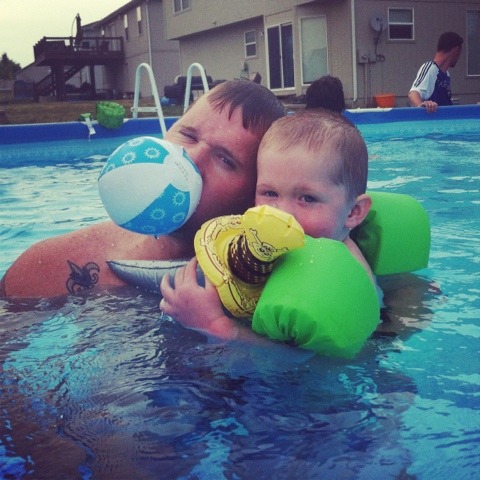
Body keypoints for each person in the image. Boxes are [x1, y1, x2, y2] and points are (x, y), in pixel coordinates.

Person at [0, 80, 286, 298]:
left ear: (257, 194)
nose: (190, 160)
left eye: (225, 160)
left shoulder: (272, 292)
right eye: (187, 135)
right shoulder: (49, 265)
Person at [159, 109, 373, 339]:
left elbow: (310, 358)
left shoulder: (336, 278)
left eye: (308, 198)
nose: (282, 213)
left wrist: (215, 324)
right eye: (270, 193)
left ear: (354, 212)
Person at [408, 31, 463, 113]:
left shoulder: (446, 75)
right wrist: (421, 106)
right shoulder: (430, 68)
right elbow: (413, 93)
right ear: (456, 50)